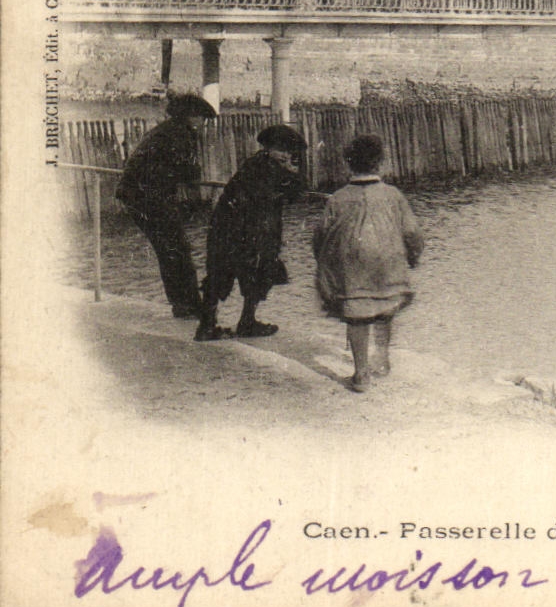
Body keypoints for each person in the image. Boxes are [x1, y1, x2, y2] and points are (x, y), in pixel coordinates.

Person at [312, 134, 423, 393]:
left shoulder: (337, 198)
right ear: (380, 163)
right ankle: (382, 360)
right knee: (385, 308)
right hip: (387, 262)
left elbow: (321, 235)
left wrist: (324, 263)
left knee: (358, 316)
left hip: (352, 266)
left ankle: (361, 373)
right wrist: (414, 256)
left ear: (348, 164)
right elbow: (412, 232)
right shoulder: (393, 195)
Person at [197, 124, 308, 341]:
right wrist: (293, 173)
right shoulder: (267, 169)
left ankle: (213, 324)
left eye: (289, 151)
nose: (286, 155)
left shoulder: (256, 164)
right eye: (281, 150)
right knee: (247, 272)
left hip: (230, 227)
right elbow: (294, 193)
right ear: (269, 148)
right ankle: (234, 324)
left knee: (226, 273)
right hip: (247, 231)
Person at [115, 93, 217, 318]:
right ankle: (189, 305)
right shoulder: (181, 134)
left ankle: (183, 304)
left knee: (169, 249)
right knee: (177, 249)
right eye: (201, 118)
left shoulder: (166, 130)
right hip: (149, 197)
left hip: (138, 195)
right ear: (190, 117)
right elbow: (188, 172)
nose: (202, 124)